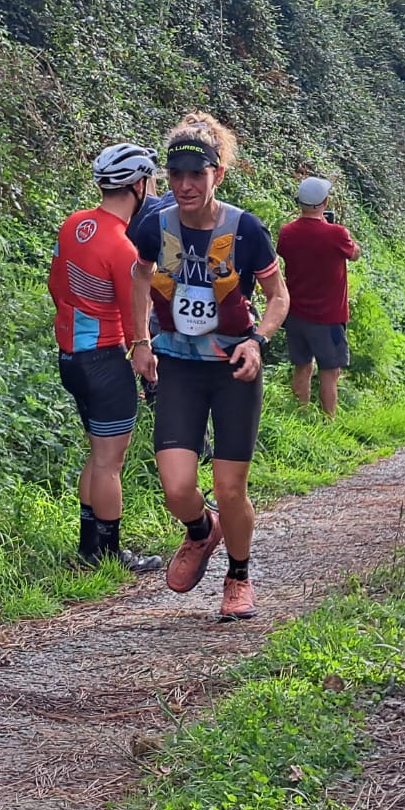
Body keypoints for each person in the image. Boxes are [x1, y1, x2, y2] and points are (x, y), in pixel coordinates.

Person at [130, 113, 290, 621]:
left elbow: (278, 296)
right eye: (175, 175)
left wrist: (258, 341)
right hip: (177, 363)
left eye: (195, 175)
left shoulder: (244, 229)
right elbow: (139, 274)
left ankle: (238, 575)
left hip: (232, 368)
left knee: (229, 486)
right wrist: (140, 341)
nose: (184, 185)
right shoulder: (155, 223)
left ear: (216, 175)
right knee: (177, 486)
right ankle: (203, 531)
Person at [48, 143, 165, 573]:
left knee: (96, 455)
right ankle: (110, 553)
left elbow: (55, 284)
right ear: (138, 185)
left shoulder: (73, 224)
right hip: (104, 359)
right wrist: (142, 349)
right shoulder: (124, 248)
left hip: (70, 358)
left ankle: (88, 546)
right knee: (110, 461)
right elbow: (135, 309)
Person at [276, 176, 361, 416]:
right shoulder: (337, 234)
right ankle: (329, 421)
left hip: (295, 314)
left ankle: (301, 417)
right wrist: (341, 233)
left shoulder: (287, 232)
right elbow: (354, 254)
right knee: (330, 371)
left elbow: (284, 251)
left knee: (302, 367)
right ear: (325, 202)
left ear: (300, 202)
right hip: (329, 317)